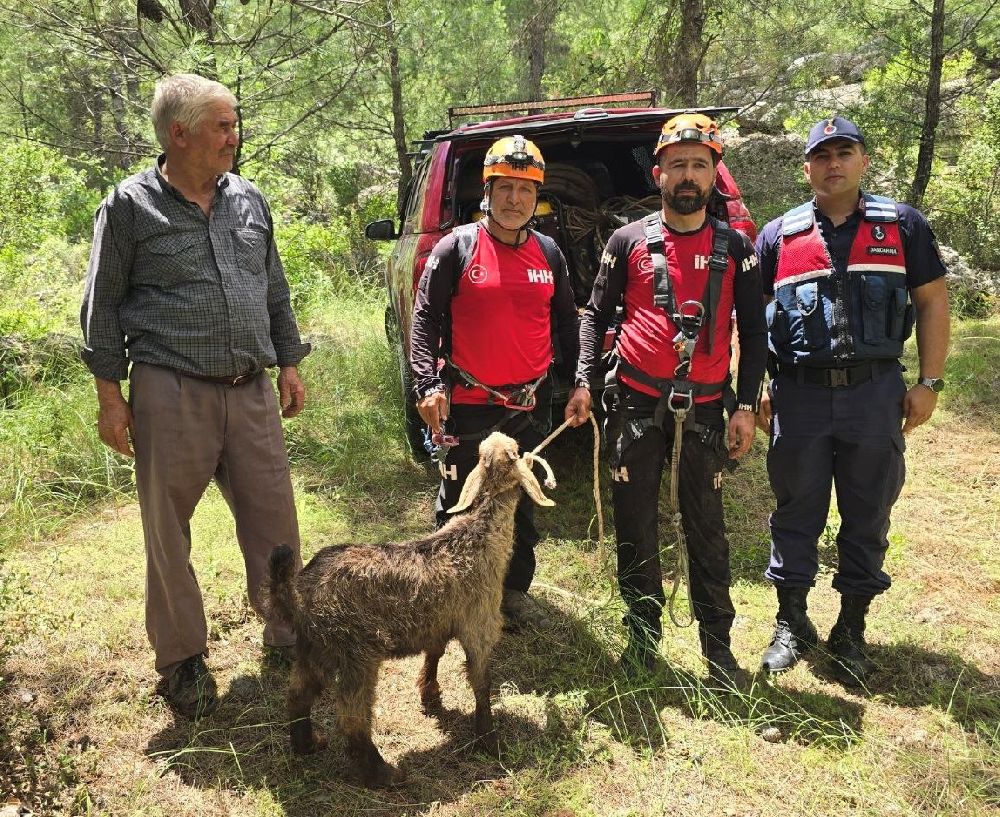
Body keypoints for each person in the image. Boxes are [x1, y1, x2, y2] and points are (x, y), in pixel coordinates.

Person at [80, 73, 311, 718]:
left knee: (274, 522)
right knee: (167, 532)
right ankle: (182, 660)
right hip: (169, 388)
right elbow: (101, 308)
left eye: (234, 123)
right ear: (177, 134)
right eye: (223, 125)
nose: (234, 136)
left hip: (251, 389)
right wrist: (110, 396)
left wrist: (288, 360)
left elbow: (273, 290)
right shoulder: (129, 208)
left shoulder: (247, 200)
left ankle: (288, 634)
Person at [565, 113, 768, 684]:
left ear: (713, 174)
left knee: (706, 526)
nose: (687, 175)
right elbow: (595, 315)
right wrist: (584, 380)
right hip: (634, 403)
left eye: (699, 165)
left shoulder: (738, 248)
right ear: (658, 173)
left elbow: (753, 332)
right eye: (677, 164)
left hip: (705, 408)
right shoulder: (627, 240)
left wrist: (745, 406)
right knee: (636, 525)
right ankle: (642, 636)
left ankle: (718, 646)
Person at [754, 115, 950, 685]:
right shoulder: (779, 235)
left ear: (864, 160)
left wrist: (930, 382)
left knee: (868, 512)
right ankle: (793, 623)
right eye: (821, 155)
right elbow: (753, 318)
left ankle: (850, 628)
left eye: (844, 152)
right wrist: (756, 388)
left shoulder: (903, 225)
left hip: (874, 393)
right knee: (795, 511)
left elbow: (933, 302)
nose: (832, 163)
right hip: (799, 396)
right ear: (807, 166)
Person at [410, 134, 579, 630]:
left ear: (537, 196)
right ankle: (447, 597)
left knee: (519, 506)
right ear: (487, 190)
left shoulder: (549, 253)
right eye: (505, 188)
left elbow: (567, 323)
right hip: (468, 402)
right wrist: (427, 385)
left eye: (525, 190)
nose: (514, 200)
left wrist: (575, 383)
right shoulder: (456, 247)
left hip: (528, 405)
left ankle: (511, 592)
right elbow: (425, 320)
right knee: (461, 504)